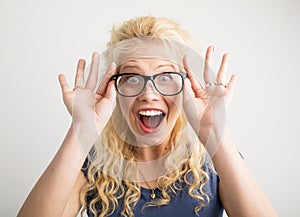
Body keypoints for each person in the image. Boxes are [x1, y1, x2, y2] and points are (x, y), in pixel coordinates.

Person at [17, 16, 278, 217]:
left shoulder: (213, 159)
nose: (149, 94)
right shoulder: (91, 164)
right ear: (113, 88)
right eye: (132, 78)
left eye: (165, 77)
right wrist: (80, 132)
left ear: (187, 87)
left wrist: (215, 132)